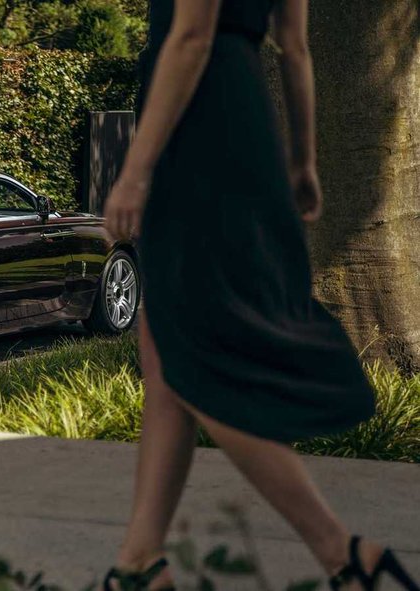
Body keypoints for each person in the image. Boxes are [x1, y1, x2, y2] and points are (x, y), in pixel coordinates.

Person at [101, 0, 420, 590]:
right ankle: (139, 561)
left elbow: (192, 35)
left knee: (195, 353)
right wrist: (303, 162)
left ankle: (344, 555)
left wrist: (136, 170)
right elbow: (294, 47)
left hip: (191, 122)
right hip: (241, 115)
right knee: (166, 351)